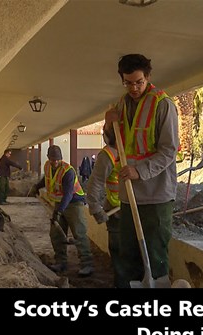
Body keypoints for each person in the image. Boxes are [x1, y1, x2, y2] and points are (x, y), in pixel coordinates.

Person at [103, 53, 179, 287]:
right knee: (128, 254)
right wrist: (108, 124)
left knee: (155, 253)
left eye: (139, 82)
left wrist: (140, 171)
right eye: (128, 82)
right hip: (130, 195)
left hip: (156, 195)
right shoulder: (121, 105)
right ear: (122, 80)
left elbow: (169, 151)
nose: (134, 88)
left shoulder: (163, 105)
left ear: (148, 77)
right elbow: (114, 142)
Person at [33, 145, 94, 277]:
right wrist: (37, 186)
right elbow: (46, 179)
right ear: (48, 158)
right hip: (60, 203)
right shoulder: (48, 167)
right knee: (56, 234)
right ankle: (61, 261)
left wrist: (58, 212)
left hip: (74, 204)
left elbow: (68, 194)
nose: (55, 162)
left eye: (57, 159)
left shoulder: (68, 171)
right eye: (53, 159)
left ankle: (87, 264)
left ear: (61, 158)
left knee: (79, 233)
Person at [85, 134, 124, 287]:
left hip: (135, 210)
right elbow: (95, 183)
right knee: (118, 250)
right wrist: (95, 209)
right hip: (116, 210)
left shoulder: (135, 151)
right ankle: (121, 283)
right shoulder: (108, 155)